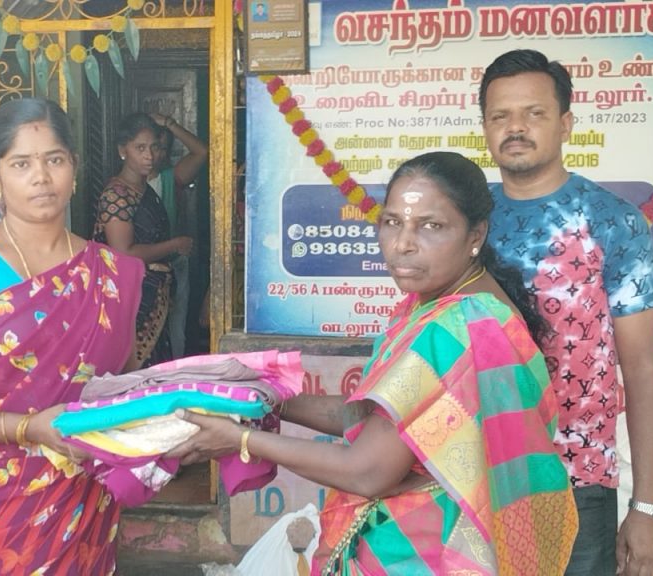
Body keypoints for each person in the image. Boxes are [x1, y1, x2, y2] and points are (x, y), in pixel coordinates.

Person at [169, 152, 579, 575]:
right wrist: (266, 398)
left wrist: (239, 440)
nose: (402, 243)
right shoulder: (459, 307)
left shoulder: (458, 324)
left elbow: (367, 471)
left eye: (431, 226)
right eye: (392, 221)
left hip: (427, 556)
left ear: (476, 234)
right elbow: (376, 421)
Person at [0, 98, 144, 574]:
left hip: (83, 500)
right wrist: (28, 429)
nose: (41, 177)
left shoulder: (112, 272)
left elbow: (126, 383)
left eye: (54, 160)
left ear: (74, 167)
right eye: (21, 164)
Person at [479, 49, 653, 575]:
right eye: (500, 116)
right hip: (472, 477)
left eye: (534, 113)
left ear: (565, 124)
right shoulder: (466, 221)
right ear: (485, 128)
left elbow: (643, 369)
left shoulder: (612, 222)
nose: (515, 127)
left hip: (577, 480)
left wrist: (648, 508)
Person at [94, 112, 193, 368]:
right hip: (132, 299)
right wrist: (174, 245)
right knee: (137, 370)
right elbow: (124, 252)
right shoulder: (116, 195)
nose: (149, 155)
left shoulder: (144, 190)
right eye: (140, 148)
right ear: (122, 150)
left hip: (154, 295)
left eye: (154, 147)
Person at [147, 112, 208, 358]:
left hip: (173, 265)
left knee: (176, 329)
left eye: (162, 148)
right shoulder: (121, 187)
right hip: (140, 267)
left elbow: (201, 152)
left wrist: (170, 124)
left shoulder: (170, 178)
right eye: (150, 147)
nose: (155, 155)